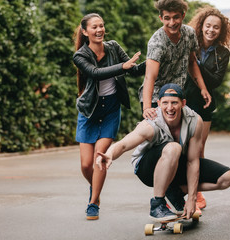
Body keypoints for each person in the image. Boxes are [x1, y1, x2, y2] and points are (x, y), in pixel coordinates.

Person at [96, 83, 230, 221]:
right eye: (165, 103)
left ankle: (175, 192)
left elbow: (192, 161)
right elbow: (124, 144)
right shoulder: (151, 123)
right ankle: (157, 204)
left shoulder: (194, 121)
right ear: (159, 103)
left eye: (174, 103)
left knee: (227, 178)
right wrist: (109, 154)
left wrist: (192, 198)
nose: (170, 108)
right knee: (173, 147)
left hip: (176, 164)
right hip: (147, 169)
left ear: (183, 103)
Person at [73, 13, 145, 220]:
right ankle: (94, 188)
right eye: (94, 27)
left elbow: (133, 70)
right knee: (86, 165)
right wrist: (122, 67)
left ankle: (93, 202)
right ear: (85, 32)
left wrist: (153, 62)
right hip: (89, 111)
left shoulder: (113, 47)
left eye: (102, 26)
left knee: (99, 159)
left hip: (111, 109)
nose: (99, 30)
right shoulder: (80, 55)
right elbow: (95, 73)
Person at [184, 6, 230, 209]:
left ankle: (196, 193)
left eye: (216, 27)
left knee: (198, 149)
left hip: (205, 105)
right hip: (185, 101)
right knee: (182, 148)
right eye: (208, 26)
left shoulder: (223, 53)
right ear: (201, 25)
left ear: (220, 30)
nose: (211, 30)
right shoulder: (189, 44)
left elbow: (215, 81)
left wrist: (195, 63)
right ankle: (184, 191)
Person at [139, 0, 212, 120]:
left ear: (183, 16)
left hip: (175, 96)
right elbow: (149, 77)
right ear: (161, 18)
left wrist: (203, 88)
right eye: (167, 18)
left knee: (179, 135)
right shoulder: (157, 42)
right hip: (155, 97)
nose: (172, 23)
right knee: (157, 136)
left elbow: (192, 62)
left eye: (176, 17)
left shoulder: (189, 33)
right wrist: (147, 107)